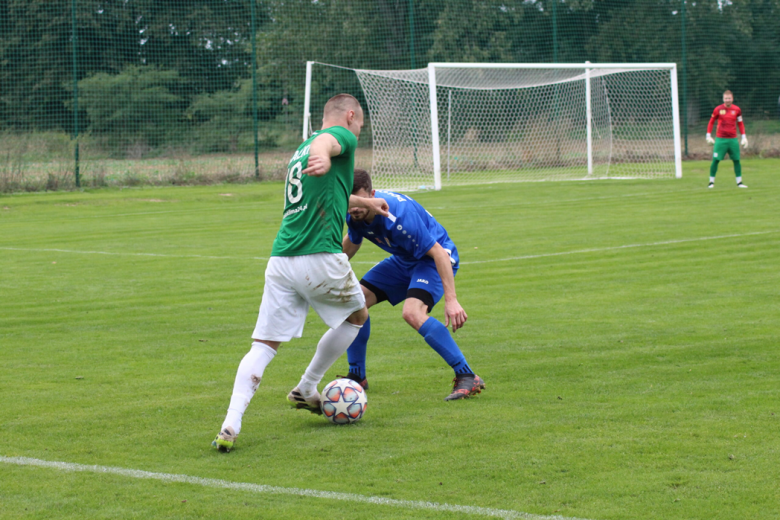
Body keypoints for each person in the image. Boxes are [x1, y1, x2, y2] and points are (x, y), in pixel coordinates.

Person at [212, 95, 389, 452]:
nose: (357, 132)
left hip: (281, 259)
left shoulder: (299, 150)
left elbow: (334, 193)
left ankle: (230, 425)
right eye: (358, 125)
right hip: (319, 253)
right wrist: (326, 150)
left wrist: (366, 203)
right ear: (350, 116)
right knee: (357, 316)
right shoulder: (339, 138)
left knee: (263, 346)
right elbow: (330, 141)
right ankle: (308, 386)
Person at [340, 169, 485, 401]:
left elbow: (438, 253)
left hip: (434, 260)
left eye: (361, 200)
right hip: (404, 260)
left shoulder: (398, 217)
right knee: (353, 302)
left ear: (373, 194)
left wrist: (452, 300)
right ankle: (357, 376)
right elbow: (352, 242)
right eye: (352, 201)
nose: (355, 208)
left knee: (412, 313)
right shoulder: (353, 212)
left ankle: (467, 375)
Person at [706, 90, 749, 188]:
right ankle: (711, 182)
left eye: (729, 98)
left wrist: (744, 137)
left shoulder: (737, 110)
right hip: (721, 139)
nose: (728, 100)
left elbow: (740, 123)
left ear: (732, 98)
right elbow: (711, 122)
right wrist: (708, 135)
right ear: (723, 99)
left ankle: (739, 182)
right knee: (716, 160)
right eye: (726, 98)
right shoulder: (718, 109)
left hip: (733, 139)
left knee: (736, 160)